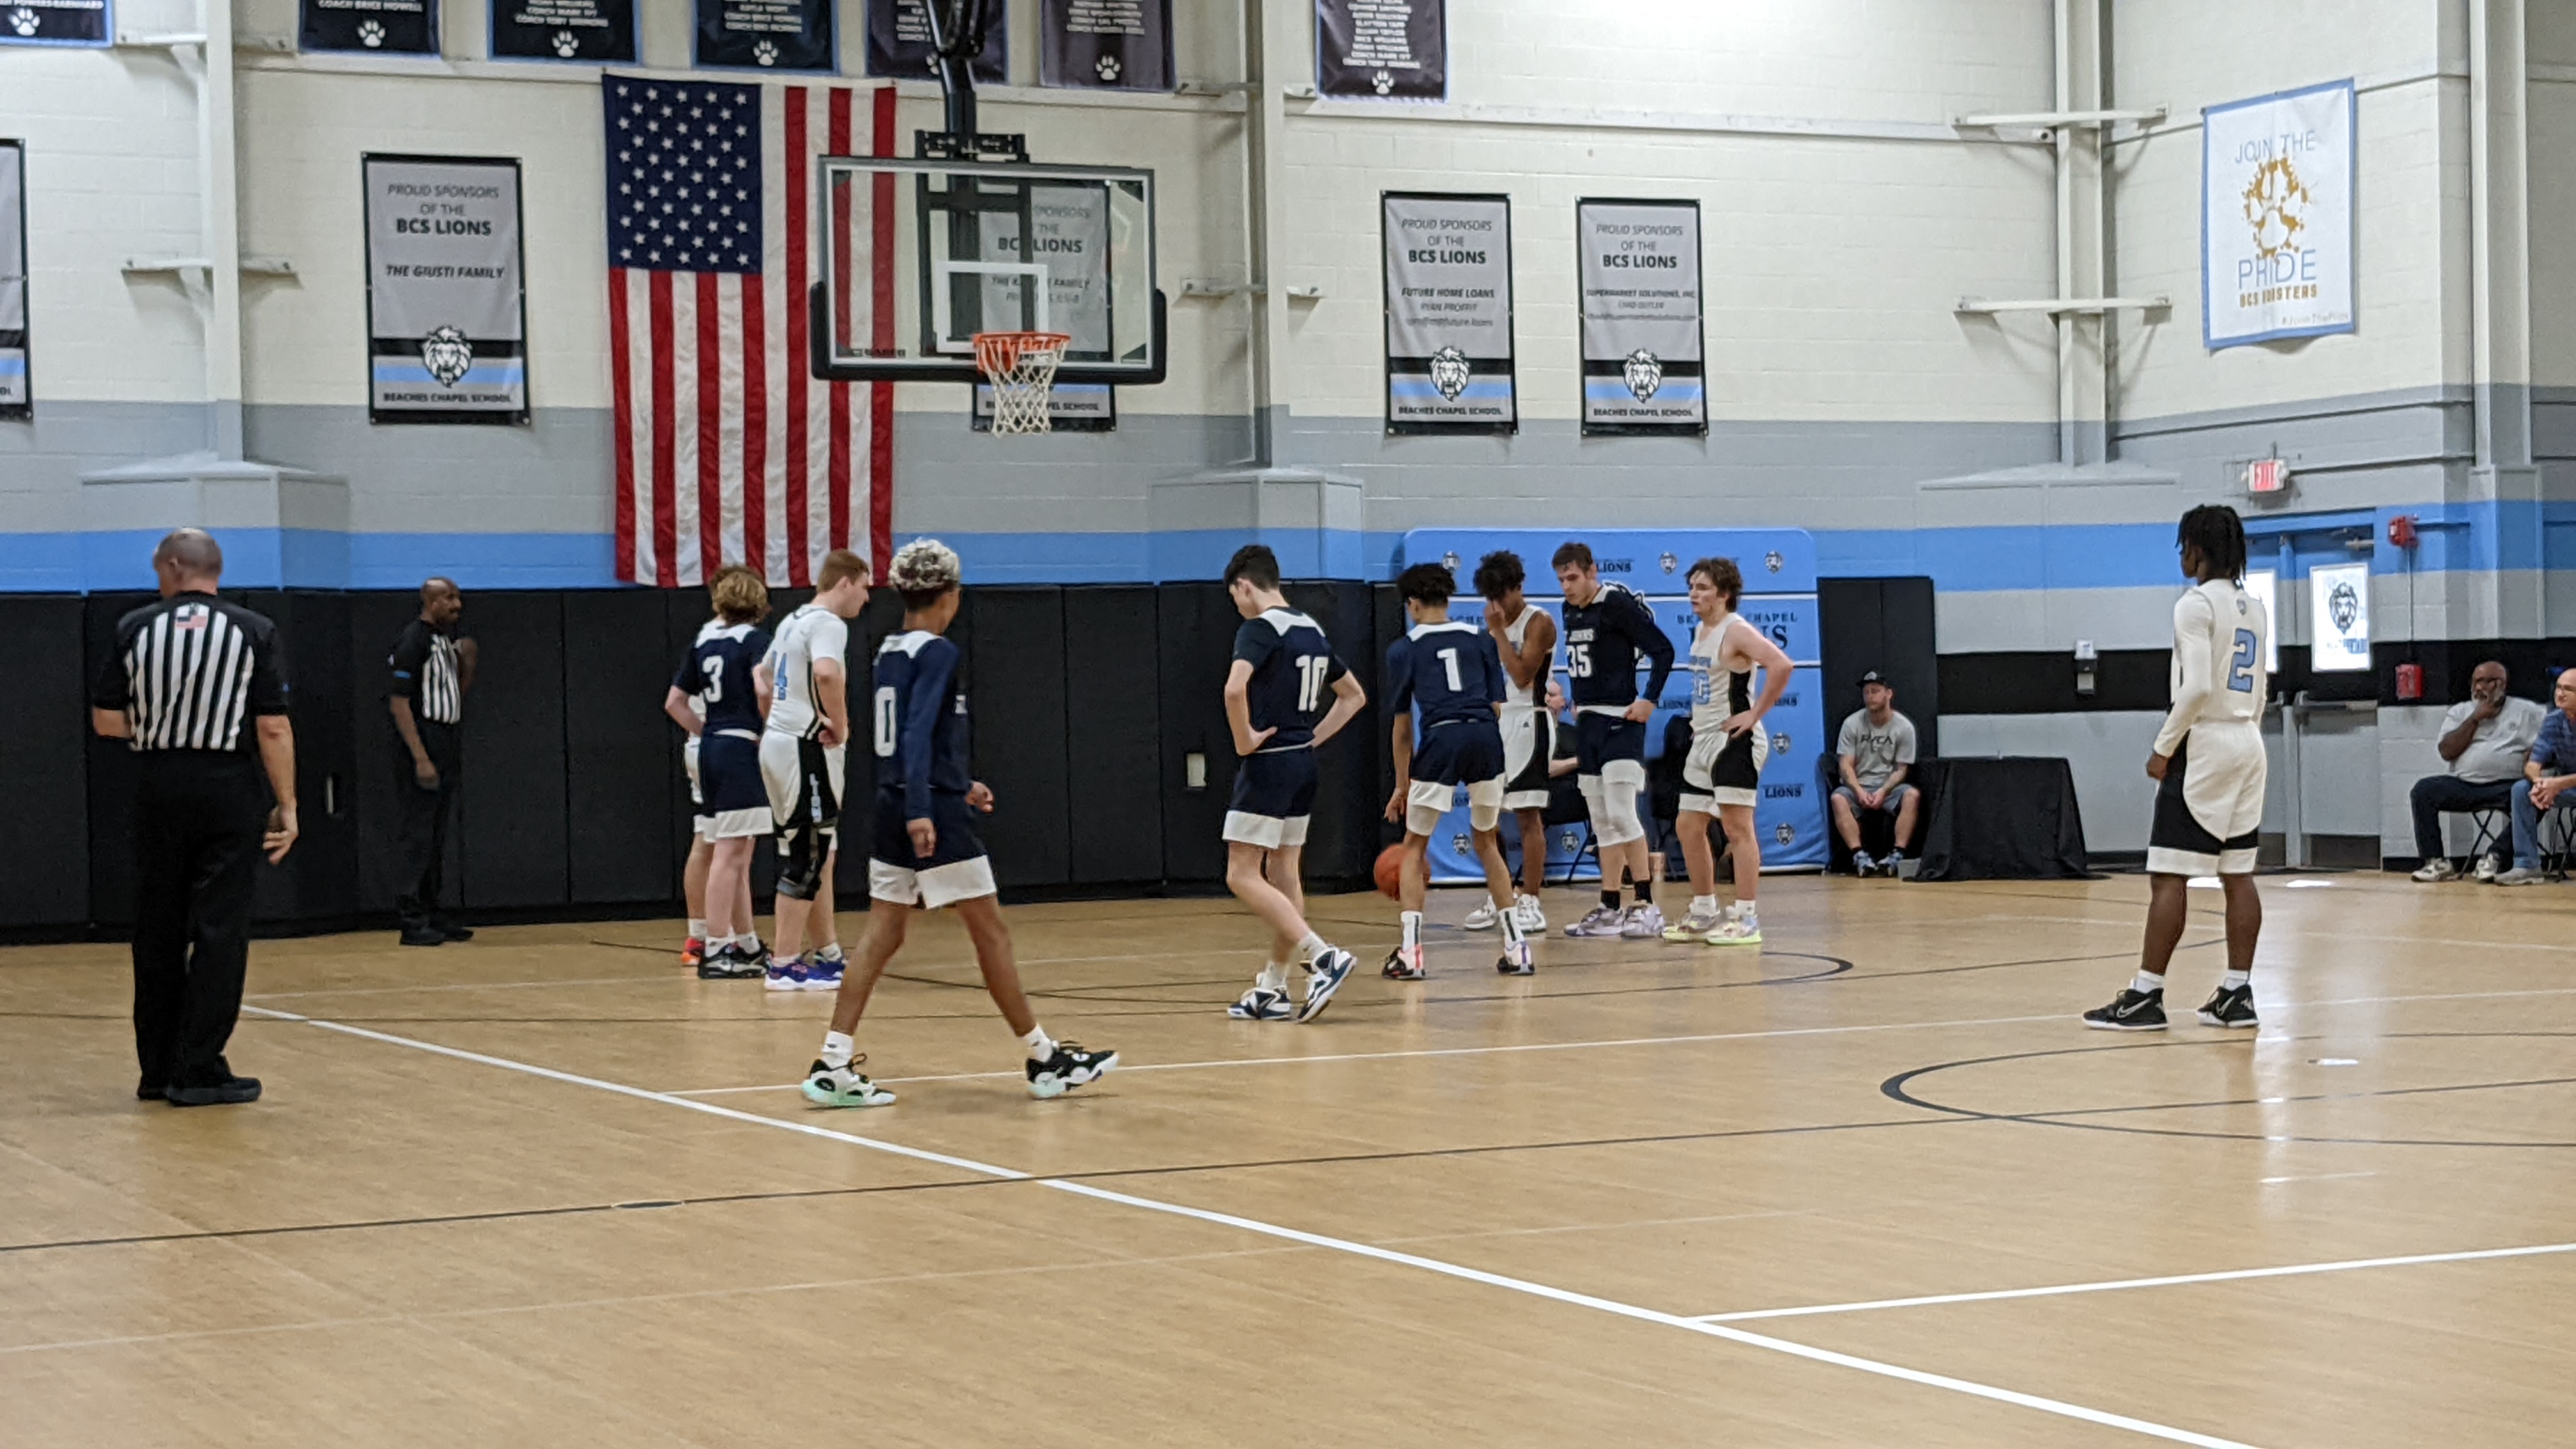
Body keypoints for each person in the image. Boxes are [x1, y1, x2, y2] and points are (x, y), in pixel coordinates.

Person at [801, 540, 1117, 1107]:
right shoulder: (939, 652)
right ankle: (1044, 1059)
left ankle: (833, 1061)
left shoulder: (888, 648)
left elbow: (901, 740)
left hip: (893, 801)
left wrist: (953, 783)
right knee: (990, 932)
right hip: (928, 812)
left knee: (882, 934)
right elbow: (918, 731)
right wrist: (926, 806)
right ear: (950, 595)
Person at [90, 529, 299, 1107]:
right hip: (227, 785)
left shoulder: (134, 627)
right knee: (219, 929)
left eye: (159, 568)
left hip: (157, 784)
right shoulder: (254, 629)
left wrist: (161, 727)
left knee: (157, 926)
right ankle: (199, 1066)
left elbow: (106, 721)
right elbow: (272, 726)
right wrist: (287, 804)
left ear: (177, 565)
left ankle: (157, 1069)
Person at [2084, 504, 2267, 1031]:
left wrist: (2164, 747)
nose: (2182, 556)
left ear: (2199, 550)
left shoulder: (2194, 604)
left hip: (2205, 741)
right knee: (2238, 873)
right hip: (2248, 739)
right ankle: (2237, 993)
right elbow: (2260, 688)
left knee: (2168, 873)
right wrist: (2243, 733)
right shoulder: (2255, 607)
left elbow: (2197, 687)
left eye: (2185, 546)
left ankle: (2146, 995)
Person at [1218, 544, 1367, 1023]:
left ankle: (1323, 956)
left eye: (1235, 598)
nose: (1238, 608)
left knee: (1241, 874)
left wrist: (1244, 740)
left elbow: (1234, 688)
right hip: (1302, 763)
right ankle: (1274, 987)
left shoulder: (1260, 629)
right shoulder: (1311, 629)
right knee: (1284, 872)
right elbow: (1353, 696)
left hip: (1269, 764)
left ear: (1244, 586)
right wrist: (1312, 738)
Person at [1381, 563, 1534, 979]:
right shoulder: (1481, 639)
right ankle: (1517, 947)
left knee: (1414, 847)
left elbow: (1402, 728)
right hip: (1485, 737)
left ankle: (1411, 954)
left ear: (1413, 604)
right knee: (1487, 840)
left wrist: (1402, 784)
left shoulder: (1404, 649)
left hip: (1442, 737)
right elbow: (1496, 706)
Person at [754, 550, 871, 988]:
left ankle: (828, 952)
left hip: (779, 742)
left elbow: (761, 678)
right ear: (845, 583)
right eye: (865, 587)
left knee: (821, 850)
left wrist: (775, 721)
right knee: (807, 855)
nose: (867, 598)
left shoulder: (792, 620)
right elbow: (826, 673)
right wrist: (840, 724)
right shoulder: (828, 624)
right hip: (804, 748)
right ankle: (784, 964)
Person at [1664, 558, 1793, 947]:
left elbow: (1782, 665)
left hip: (1734, 741)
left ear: (1724, 594)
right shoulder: (1701, 630)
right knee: (1688, 825)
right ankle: (1704, 909)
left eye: (1703, 587)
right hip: (1703, 739)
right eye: (1691, 586)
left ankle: (1746, 917)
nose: (1694, 593)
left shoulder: (1735, 630)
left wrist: (1755, 714)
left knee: (1738, 829)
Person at [1552, 542, 1676, 939]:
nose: (1567, 586)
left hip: (1621, 722)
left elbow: (1663, 650)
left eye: (1573, 577)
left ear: (1592, 571)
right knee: (1601, 820)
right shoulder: (1569, 610)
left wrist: (1649, 699)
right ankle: (1609, 905)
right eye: (1561, 580)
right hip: (1588, 723)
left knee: (1623, 813)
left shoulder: (1616, 605)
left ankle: (1645, 903)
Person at [664, 566, 777, 980]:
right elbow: (763, 687)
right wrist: (767, 729)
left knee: (733, 851)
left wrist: (707, 731)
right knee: (730, 856)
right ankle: (715, 948)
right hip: (739, 748)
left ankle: (745, 943)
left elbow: (674, 703)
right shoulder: (756, 641)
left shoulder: (704, 641)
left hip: (710, 747)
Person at [1464, 549, 1554, 937]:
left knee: (1527, 815)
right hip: (1498, 723)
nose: (1497, 604)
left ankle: (1531, 900)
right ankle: (1502, 895)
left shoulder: (1539, 621)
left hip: (1531, 721)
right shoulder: (1491, 626)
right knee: (1488, 814)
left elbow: (1521, 677)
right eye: (1491, 597)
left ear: (1519, 586)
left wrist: (1499, 632)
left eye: (1502, 594)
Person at [387, 576, 476, 945]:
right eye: (448, 598)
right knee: (418, 835)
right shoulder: (415, 640)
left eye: (458, 597)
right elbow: (398, 702)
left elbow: (453, 693)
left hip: (447, 739)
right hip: (424, 740)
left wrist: (467, 664)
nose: (456, 605)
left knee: (437, 835)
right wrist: (421, 757)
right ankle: (411, 919)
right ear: (430, 602)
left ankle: (432, 911)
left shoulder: (445, 641)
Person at [2409, 660, 2543, 881]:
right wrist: (2475, 719)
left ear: (2502, 683)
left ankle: (2495, 856)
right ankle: (2436, 862)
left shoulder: (2528, 711)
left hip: (2507, 785)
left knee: (2536, 794)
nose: (2480, 687)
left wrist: (2535, 757)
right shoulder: (2460, 711)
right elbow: (2447, 752)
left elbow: (2546, 744)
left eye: (2487, 682)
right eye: (2476, 682)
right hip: (2465, 783)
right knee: (2423, 791)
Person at [1830, 671, 1920, 877]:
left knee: (1912, 795)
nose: (1870, 696)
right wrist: (1859, 791)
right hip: (1859, 785)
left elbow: (1902, 769)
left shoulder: (1904, 727)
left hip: (1889, 787)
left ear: (1889, 694)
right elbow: (1845, 765)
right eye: (1867, 692)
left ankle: (1897, 855)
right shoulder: (1851, 724)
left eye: (1876, 691)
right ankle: (1859, 856)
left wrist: (1883, 791)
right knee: (1838, 798)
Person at [2494, 668, 2576, 887]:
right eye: (2558, 688)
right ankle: (2527, 865)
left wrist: (2557, 784)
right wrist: (2540, 783)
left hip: (2565, 783)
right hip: (2566, 785)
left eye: (2568, 689)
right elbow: (2533, 764)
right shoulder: (2553, 720)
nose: (2560, 694)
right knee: (2522, 789)